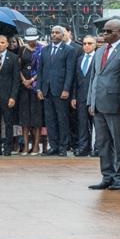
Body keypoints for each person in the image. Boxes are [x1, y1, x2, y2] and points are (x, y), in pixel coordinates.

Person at [86, 20, 120, 189]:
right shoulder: (100, 51)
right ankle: (108, 176)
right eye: (103, 31)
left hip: (117, 105)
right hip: (99, 104)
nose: (104, 34)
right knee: (103, 143)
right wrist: (91, 101)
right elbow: (94, 77)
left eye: (108, 31)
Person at [37, 25, 78, 155]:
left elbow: (70, 71)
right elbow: (40, 70)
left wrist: (66, 89)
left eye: (57, 33)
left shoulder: (69, 50)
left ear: (62, 35)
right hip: (47, 90)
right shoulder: (45, 50)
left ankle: (63, 147)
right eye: (52, 32)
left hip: (60, 91)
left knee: (62, 119)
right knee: (50, 120)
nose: (54, 35)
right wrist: (39, 88)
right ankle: (53, 145)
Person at [17, 28, 44, 154]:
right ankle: (26, 145)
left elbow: (42, 68)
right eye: (29, 40)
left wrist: (32, 80)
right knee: (24, 117)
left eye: (33, 40)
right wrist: (24, 80)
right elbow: (18, 67)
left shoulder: (42, 49)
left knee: (36, 118)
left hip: (36, 86)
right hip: (24, 87)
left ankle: (36, 145)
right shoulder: (22, 49)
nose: (31, 42)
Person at [73, 33, 99, 156]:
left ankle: (98, 148)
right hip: (81, 96)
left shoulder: (98, 58)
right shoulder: (79, 59)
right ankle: (84, 148)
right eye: (84, 44)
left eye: (89, 43)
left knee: (97, 124)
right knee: (82, 123)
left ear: (95, 45)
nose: (86, 46)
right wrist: (73, 97)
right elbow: (75, 79)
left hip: (95, 97)